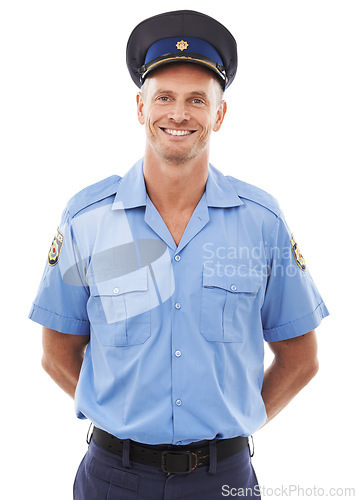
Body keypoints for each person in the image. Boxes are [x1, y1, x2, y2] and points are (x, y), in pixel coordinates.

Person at [29, 10, 329, 500]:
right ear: (140, 108)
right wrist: (119, 416)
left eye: (197, 100)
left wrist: (234, 425)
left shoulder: (261, 222)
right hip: (113, 478)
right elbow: (57, 351)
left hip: (223, 479)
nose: (178, 114)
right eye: (163, 97)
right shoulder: (88, 220)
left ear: (220, 114)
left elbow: (301, 359)